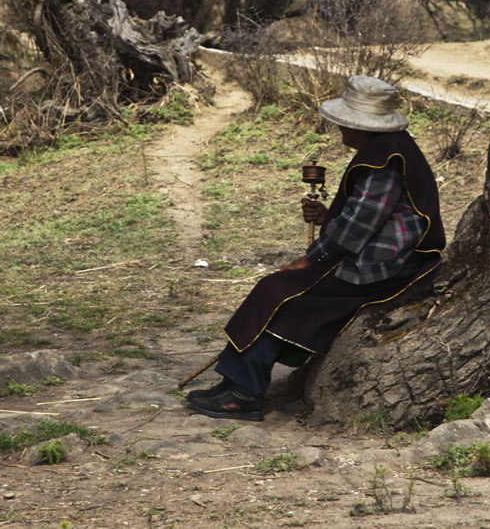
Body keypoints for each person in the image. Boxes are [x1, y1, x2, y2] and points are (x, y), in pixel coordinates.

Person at [186, 75, 445, 421]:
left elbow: (356, 228)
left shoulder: (384, 161)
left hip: (389, 269)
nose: (340, 129)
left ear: (361, 125)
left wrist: (311, 259)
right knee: (277, 290)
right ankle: (235, 379)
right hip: (380, 258)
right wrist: (327, 217)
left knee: (282, 294)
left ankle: (243, 393)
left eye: (343, 123)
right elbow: (368, 217)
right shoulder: (390, 149)